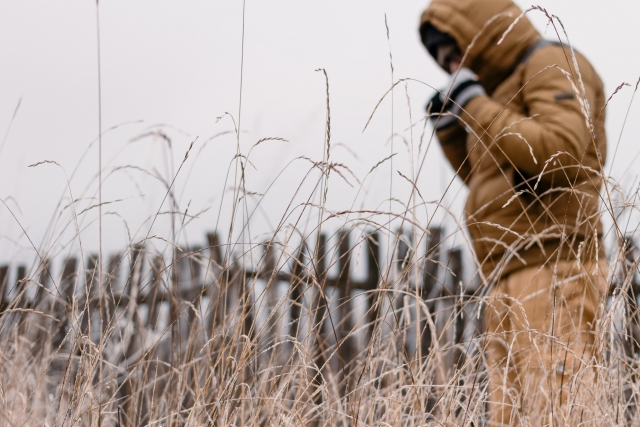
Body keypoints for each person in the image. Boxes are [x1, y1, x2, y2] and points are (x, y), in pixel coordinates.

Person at [419, 0, 609, 425]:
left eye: (455, 54)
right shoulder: (495, 92)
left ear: (480, 33)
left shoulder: (549, 59)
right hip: (506, 274)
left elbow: (558, 151)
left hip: (555, 268)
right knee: (511, 418)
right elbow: (496, 183)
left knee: (558, 413)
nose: (452, 69)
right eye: (444, 63)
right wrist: (451, 130)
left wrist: (475, 105)